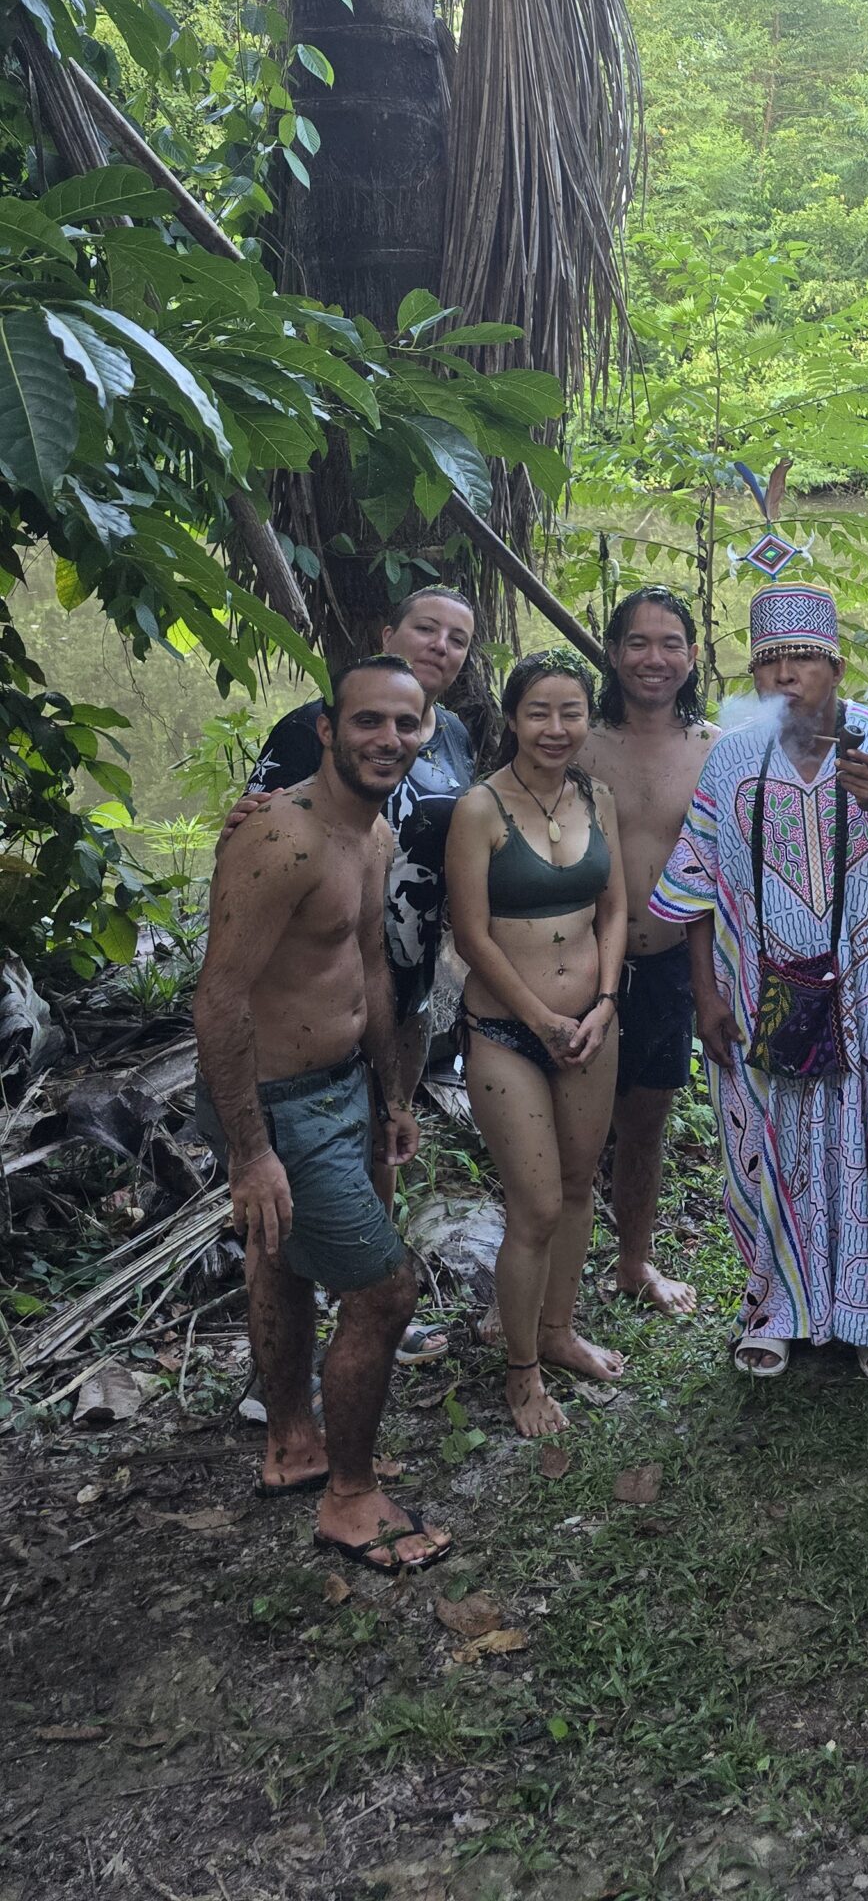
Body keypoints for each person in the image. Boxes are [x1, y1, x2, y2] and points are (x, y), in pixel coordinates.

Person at [193, 656, 451, 1571]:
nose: (388, 739)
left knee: (281, 1259)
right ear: (327, 731)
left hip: (344, 1084)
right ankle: (349, 1498)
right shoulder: (282, 838)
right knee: (384, 1293)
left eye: (406, 724)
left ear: (425, 733)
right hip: (279, 1103)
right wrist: (250, 1149)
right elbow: (220, 999)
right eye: (368, 721)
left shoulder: (370, 834)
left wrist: (392, 1092)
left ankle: (294, 1444)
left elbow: (371, 968)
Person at [651, 583, 868, 1380]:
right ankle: (776, 1307)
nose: (786, 675)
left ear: (837, 667)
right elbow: (697, 881)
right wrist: (707, 995)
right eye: (770, 661)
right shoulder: (734, 756)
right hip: (764, 991)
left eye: (805, 658)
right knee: (772, 1140)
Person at [243, 583, 479, 1365]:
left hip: (406, 981)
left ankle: (369, 1310)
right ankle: (282, 1371)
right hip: (315, 989)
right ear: (388, 633)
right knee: (290, 1194)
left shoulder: (453, 737)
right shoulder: (314, 725)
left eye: (457, 638)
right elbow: (251, 843)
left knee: (384, 1140)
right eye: (426, 628)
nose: (440, 645)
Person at [446, 651, 629, 1438]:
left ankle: (557, 1330)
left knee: (580, 1186)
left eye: (571, 712)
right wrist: (540, 1020)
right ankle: (521, 1373)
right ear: (513, 718)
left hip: (591, 1025)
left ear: (588, 718)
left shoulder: (598, 796)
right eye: (539, 712)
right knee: (537, 1205)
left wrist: (605, 1001)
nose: (556, 728)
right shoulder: (480, 808)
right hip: (505, 1032)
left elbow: (615, 909)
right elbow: (471, 935)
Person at [582, 586, 716, 1317]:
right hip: (576, 960)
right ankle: (545, 1266)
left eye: (670, 644)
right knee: (564, 1124)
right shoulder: (576, 741)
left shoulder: (714, 749)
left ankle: (634, 1261)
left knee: (645, 1121)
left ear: (692, 656)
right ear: (612, 652)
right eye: (638, 642)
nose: (654, 658)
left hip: (669, 962)